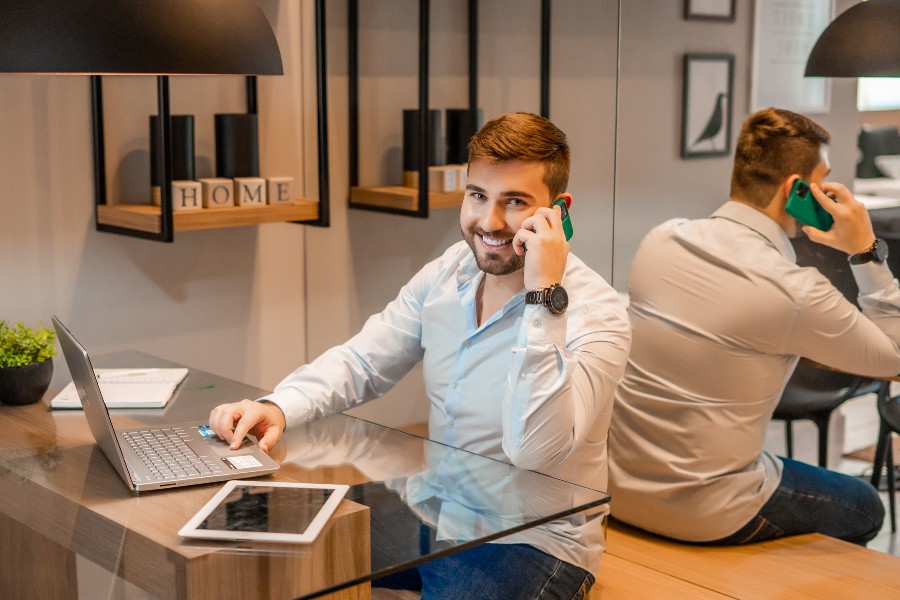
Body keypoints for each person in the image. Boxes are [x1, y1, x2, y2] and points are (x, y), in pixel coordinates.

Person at [209, 112, 631, 599]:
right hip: (435, 506)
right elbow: (364, 361)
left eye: (514, 202)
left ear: (558, 210)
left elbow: (533, 451)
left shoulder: (597, 314)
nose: (489, 222)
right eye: (478, 196)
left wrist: (542, 297)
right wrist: (279, 404)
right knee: (256, 546)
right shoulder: (448, 273)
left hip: (533, 541)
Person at [608, 107, 895, 547]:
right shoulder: (794, 291)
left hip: (618, 492)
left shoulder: (661, 239)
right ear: (795, 190)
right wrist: (865, 250)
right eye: (822, 182)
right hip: (708, 513)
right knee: (862, 505)